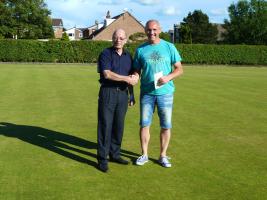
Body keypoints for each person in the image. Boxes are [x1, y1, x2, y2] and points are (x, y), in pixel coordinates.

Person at [133, 20, 183, 168]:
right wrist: (135, 75)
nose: (151, 33)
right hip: (147, 93)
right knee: (144, 125)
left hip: (165, 93)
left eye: (154, 29)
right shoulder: (141, 50)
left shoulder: (169, 47)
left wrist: (167, 77)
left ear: (159, 30)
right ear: (145, 30)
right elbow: (136, 70)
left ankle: (162, 155)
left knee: (166, 126)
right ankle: (144, 154)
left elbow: (179, 69)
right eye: (149, 30)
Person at [97, 29, 138, 172]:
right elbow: (107, 74)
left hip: (122, 94)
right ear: (112, 38)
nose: (118, 40)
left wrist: (131, 95)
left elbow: (133, 75)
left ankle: (115, 154)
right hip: (108, 92)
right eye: (116, 37)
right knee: (105, 126)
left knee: (118, 126)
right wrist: (126, 78)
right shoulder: (105, 54)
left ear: (125, 40)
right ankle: (102, 159)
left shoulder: (128, 56)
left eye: (121, 38)